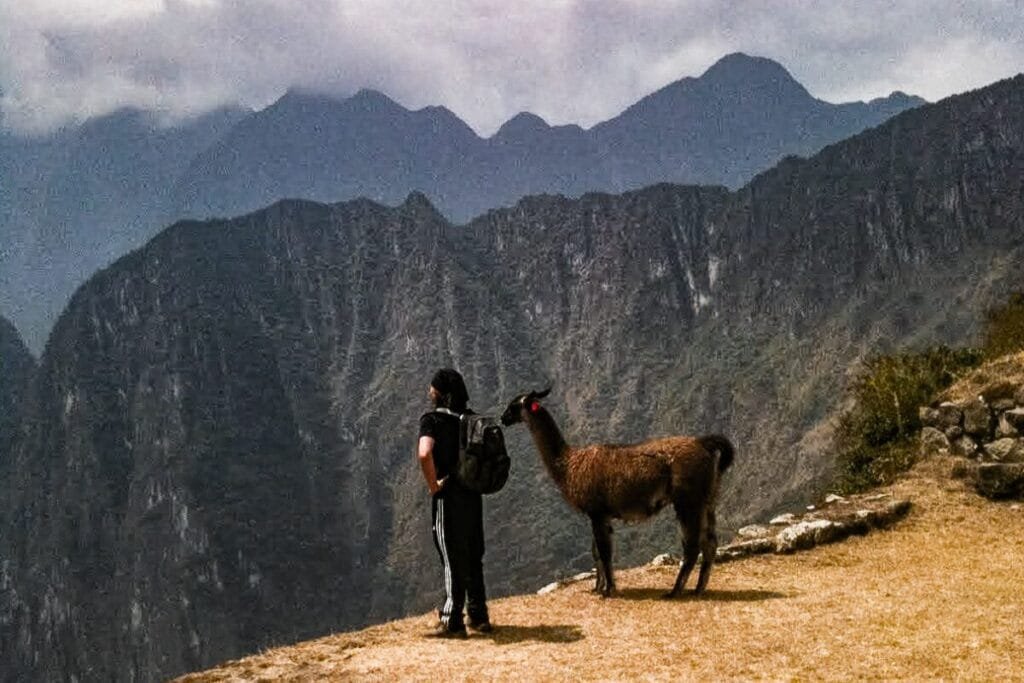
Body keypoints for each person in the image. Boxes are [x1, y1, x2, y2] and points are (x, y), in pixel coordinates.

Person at [418, 368, 492, 638]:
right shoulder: (470, 419)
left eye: (432, 387)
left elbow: (424, 453)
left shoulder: (432, 420)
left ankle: (452, 620)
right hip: (472, 496)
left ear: (439, 393)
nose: (429, 391)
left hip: (447, 497)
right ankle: (479, 615)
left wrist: (433, 486)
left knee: (452, 558)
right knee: (473, 556)